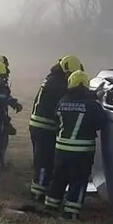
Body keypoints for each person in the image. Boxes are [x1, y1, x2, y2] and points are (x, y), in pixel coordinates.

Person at [44, 70, 105, 220]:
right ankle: (70, 212)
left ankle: (51, 205)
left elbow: (57, 120)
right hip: (82, 151)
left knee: (58, 178)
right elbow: (101, 123)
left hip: (61, 150)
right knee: (78, 181)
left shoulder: (62, 102)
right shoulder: (92, 106)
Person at [27, 54, 85, 202]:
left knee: (46, 160)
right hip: (44, 127)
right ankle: (38, 193)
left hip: (41, 126)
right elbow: (72, 93)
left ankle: (41, 189)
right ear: (66, 71)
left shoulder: (53, 78)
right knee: (44, 161)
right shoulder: (57, 84)